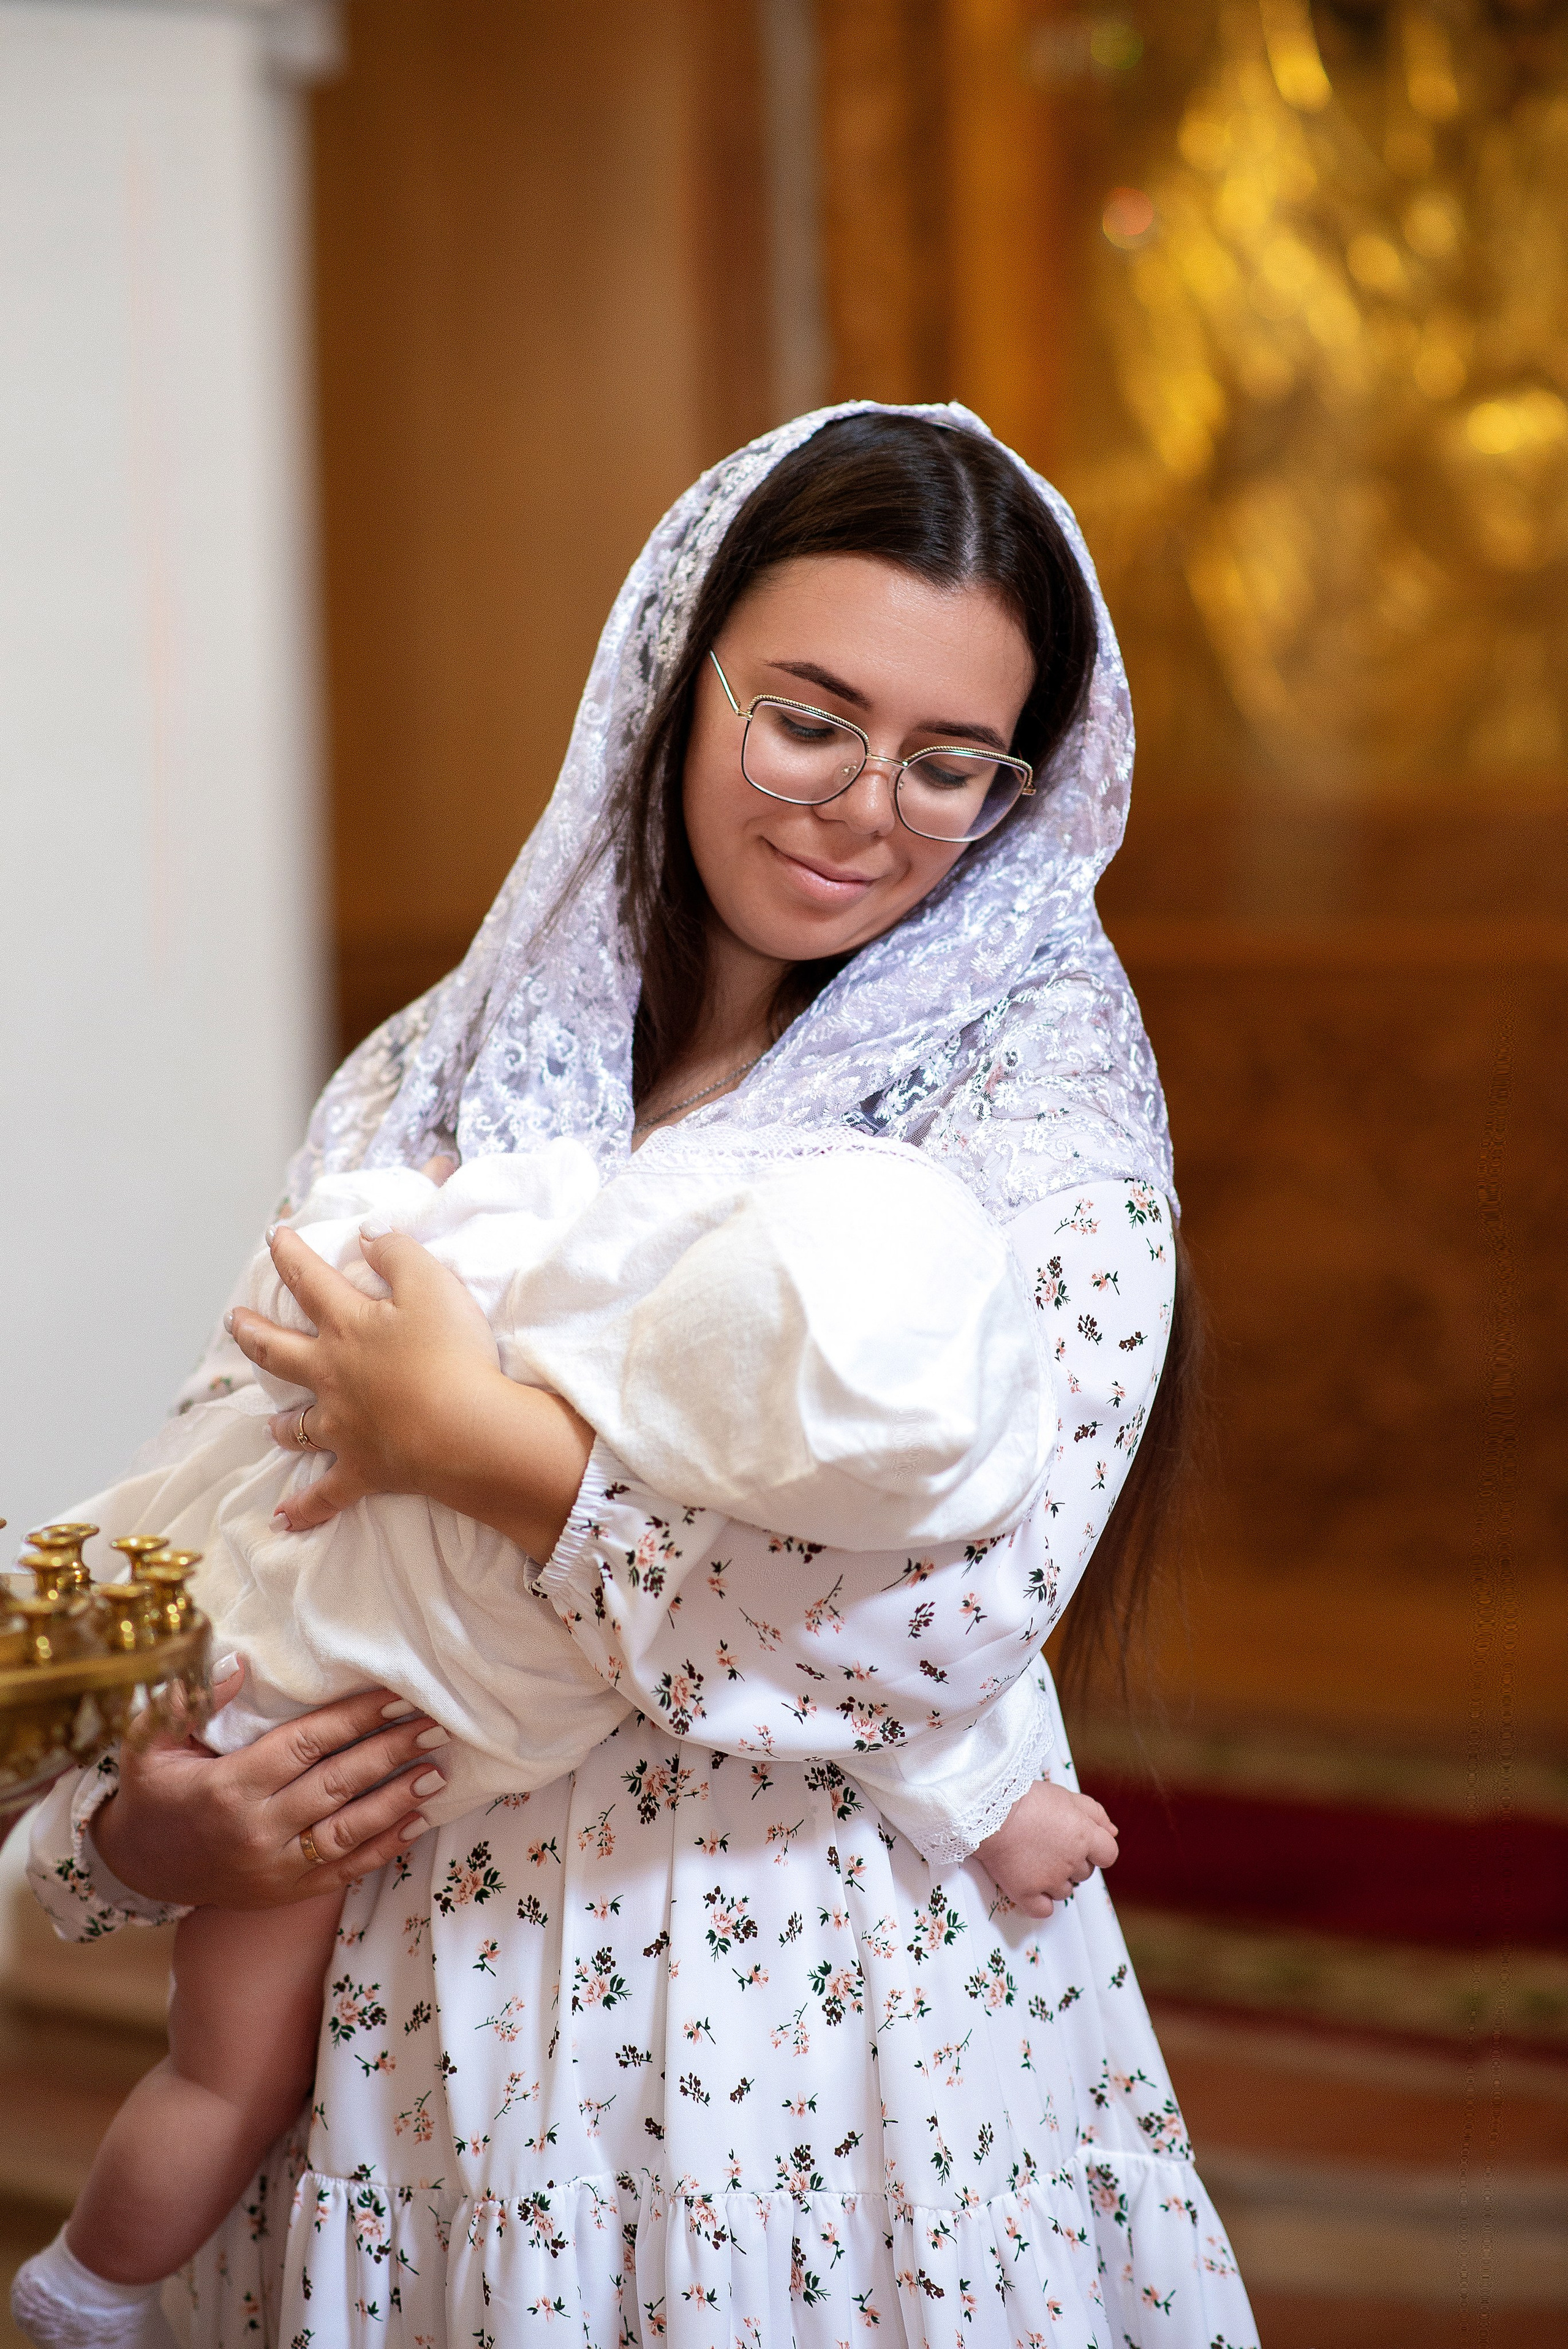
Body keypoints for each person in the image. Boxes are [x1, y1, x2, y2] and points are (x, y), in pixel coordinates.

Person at [18, 402, 1259, 2349]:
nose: (865, 808)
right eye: (810, 718)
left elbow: (943, 1613)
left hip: (812, 2040)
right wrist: (141, 1829)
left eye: (950, 765)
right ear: (679, 681)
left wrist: (479, 1444)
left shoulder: (1040, 1104)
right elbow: (234, 1487)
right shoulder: (455, 1055)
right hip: (401, 2030)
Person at [20, 1129, 1123, 2330]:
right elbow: (865, 1694)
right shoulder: (671, 1554)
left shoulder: (536, 1288)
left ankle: (98, 2276)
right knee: (228, 2079)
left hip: (270, 1656)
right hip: (319, 1753)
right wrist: (1003, 1808)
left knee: (214, 2068)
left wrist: (396, 1204)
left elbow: (327, 1269)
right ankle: (93, 2283)